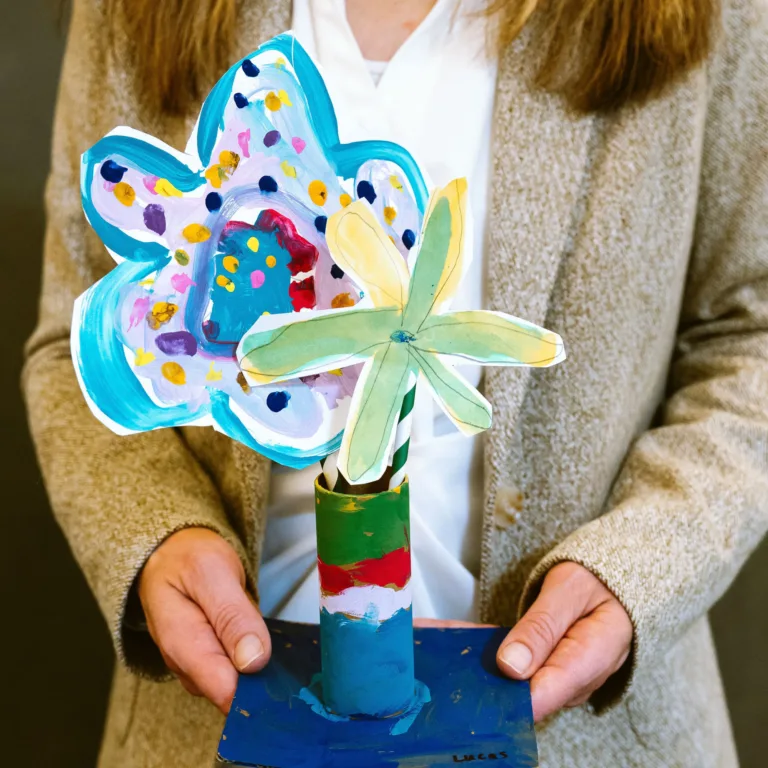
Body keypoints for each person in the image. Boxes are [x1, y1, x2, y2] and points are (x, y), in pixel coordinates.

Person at [23, 0, 767, 765]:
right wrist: (156, 536)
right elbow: (73, 343)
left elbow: (753, 333)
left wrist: (639, 569)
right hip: (217, 720)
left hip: (589, 737)